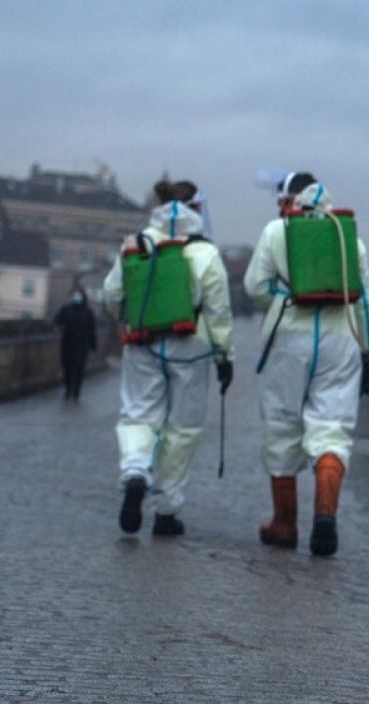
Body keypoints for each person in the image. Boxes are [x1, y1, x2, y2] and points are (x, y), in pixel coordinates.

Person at [245, 172, 369, 557]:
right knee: (332, 429)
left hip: (289, 339)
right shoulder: (348, 235)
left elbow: (254, 286)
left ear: (288, 200)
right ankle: (325, 516)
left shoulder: (276, 230)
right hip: (341, 340)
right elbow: (366, 299)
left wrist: (284, 294)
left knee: (282, 425)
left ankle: (285, 524)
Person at [101, 179, 235, 536]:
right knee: (182, 429)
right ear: (197, 209)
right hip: (189, 347)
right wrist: (224, 354)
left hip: (142, 341)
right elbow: (219, 310)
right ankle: (166, 511)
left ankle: (134, 472)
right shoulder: (205, 253)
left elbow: (111, 293)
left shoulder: (137, 242)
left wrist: (128, 319)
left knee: (138, 416)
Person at [53, 287, 98, 401]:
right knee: (67, 367)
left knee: (79, 369)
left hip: (82, 344)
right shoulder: (66, 309)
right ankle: (68, 389)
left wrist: (93, 345)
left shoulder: (88, 312)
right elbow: (57, 320)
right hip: (68, 343)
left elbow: (92, 329)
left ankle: (76, 391)